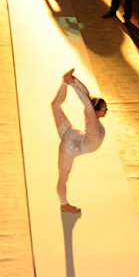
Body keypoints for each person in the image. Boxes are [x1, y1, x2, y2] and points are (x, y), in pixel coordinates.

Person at [52, 69, 107, 213]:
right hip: (70, 148)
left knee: (55, 106)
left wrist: (72, 81)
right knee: (63, 178)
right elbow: (87, 104)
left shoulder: (93, 116)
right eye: (104, 110)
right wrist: (74, 85)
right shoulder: (92, 122)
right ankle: (64, 205)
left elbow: (87, 96)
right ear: (96, 112)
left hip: (72, 136)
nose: (105, 111)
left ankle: (64, 82)